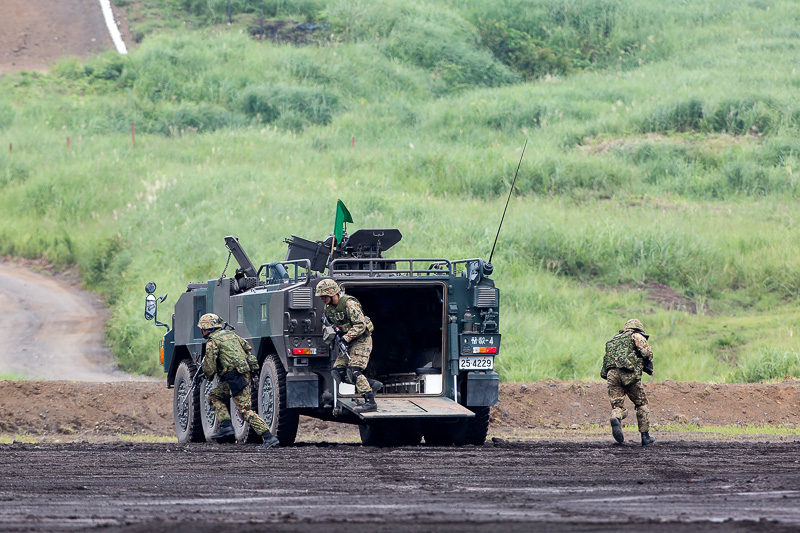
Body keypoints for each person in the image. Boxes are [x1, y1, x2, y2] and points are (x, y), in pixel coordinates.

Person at [197, 313, 280, 449]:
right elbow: (247, 347)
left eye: (203, 329)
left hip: (235, 378)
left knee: (244, 411)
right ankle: (226, 426)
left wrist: (205, 375)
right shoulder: (231, 335)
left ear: (207, 329)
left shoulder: (212, 342)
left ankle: (268, 437)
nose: (202, 331)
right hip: (239, 376)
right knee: (213, 396)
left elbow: (210, 368)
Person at [315, 279, 381, 413]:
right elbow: (326, 323)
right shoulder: (328, 308)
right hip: (348, 341)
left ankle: (370, 401)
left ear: (332, 293)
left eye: (324, 295)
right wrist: (328, 332)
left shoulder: (349, 304)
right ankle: (371, 385)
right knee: (337, 372)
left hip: (361, 340)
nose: (321, 298)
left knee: (354, 370)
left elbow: (360, 325)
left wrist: (345, 338)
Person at [601, 318, 655, 446]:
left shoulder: (614, 340)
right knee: (641, 404)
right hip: (628, 374)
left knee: (618, 406)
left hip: (611, 375)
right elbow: (647, 352)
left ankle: (616, 417)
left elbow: (605, 366)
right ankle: (645, 436)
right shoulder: (636, 336)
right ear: (638, 329)